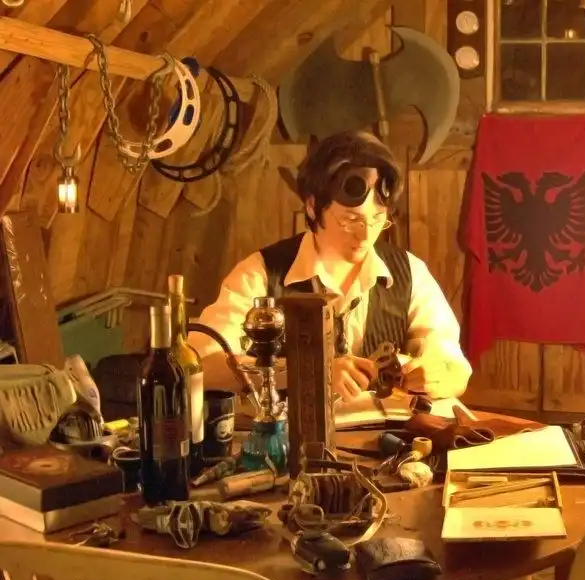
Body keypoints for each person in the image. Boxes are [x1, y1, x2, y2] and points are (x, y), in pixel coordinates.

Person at [187, 130, 472, 402]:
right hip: (289, 435)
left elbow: (455, 366)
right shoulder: (260, 274)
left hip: (387, 433)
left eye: (378, 219)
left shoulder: (409, 273)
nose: (365, 236)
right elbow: (202, 366)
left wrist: (438, 375)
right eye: (350, 220)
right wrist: (307, 372)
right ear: (312, 207)